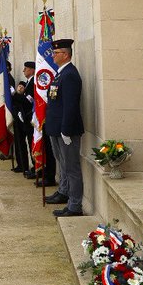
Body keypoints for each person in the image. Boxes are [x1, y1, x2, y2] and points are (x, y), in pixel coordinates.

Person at [45, 38, 85, 217]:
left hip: (65, 130)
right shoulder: (61, 73)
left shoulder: (69, 74)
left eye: (56, 53)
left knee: (72, 168)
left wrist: (66, 130)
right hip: (56, 128)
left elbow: (70, 105)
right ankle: (65, 193)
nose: (53, 56)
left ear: (66, 54)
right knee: (63, 164)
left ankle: (75, 206)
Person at [12, 61, 35, 176]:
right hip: (23, 118)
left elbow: (27, 101)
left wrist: (15, 94)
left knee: (32, 144)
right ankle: (23, 165)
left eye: (25, 68)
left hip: (30, 119)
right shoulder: (28, 83)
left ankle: (36, 168)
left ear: (32, 70)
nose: (23, 71)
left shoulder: (32, 83)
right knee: (22, 142)